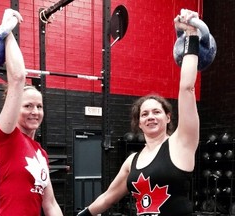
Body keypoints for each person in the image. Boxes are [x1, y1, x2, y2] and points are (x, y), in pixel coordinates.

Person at [77, 9, 200, 216]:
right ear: (139, 123)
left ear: (168, 117)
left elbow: (187, 87)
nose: (150, 117)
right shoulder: (132, 160)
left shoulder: (182, 143)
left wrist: (191, 35)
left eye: (156, 112)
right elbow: (108, 197)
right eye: (144, 114)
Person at [0, 9, 63, 216]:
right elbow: (17, 77)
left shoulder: (41, 153)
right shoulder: (7, 137)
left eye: (39, 107)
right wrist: (7, 30)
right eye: (28, 106)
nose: (35, 112)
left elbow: (50, 204)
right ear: (15, 107)